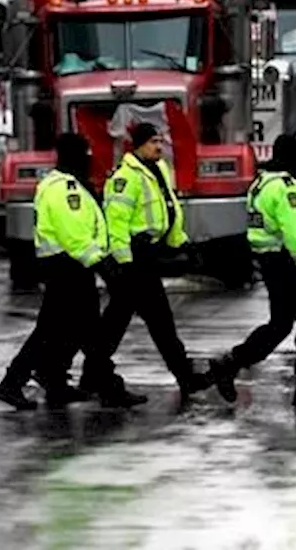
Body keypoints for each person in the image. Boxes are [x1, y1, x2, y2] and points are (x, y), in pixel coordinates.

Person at [79, 123, 214, 404]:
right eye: (154, 142)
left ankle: (92, 376)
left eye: (161, 141)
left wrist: (182, 243)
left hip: (148, 257)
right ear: (138, 144)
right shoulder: (125, 178)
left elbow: (169, 208)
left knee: (120, 324)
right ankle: (184, 377)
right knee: (155, 322)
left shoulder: (158, 169)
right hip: (135, 261)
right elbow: (115, 225)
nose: (160, 147)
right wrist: (124, 264)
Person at [210, 134, 296, 410]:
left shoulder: (261, 184)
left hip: (273, 264)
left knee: (280, 325)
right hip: (291, 265)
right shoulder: (286, 188)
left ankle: (232, 363)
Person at [0, 133, 116, 411]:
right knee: (76, 331)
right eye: (85, 153)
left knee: (64, 330)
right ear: (74, 155)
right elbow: (73, 234)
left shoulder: (65, 185)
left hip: (68, 267)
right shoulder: (65, 189)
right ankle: (15, 382)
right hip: (68, 267)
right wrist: (101, 263)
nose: (89, 158)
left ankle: (53, 381)